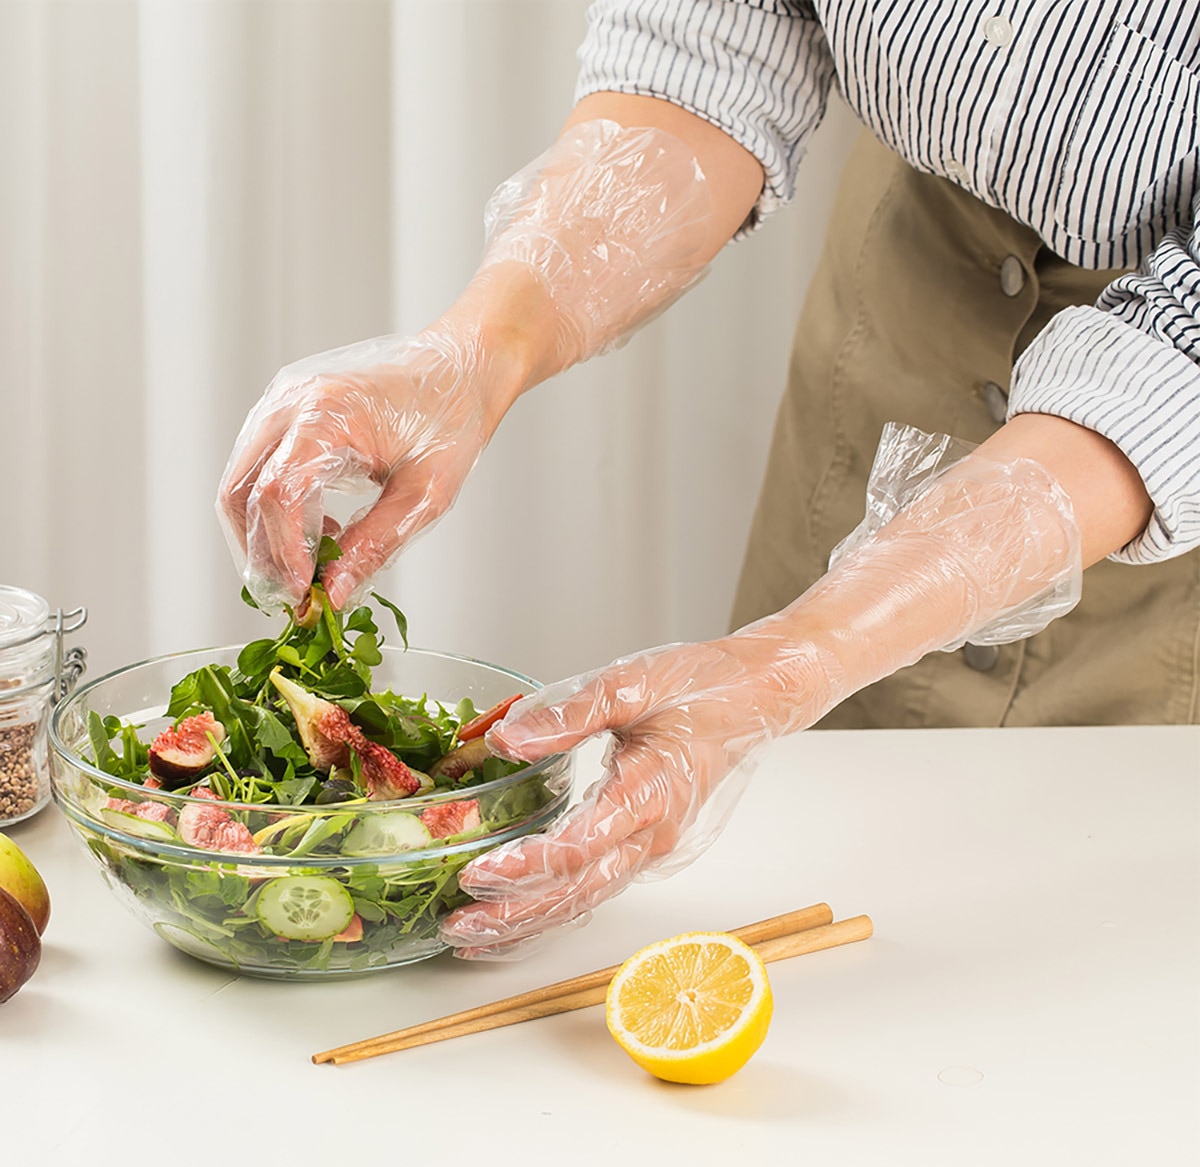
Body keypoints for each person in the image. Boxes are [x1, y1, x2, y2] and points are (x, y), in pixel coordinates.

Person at [219, 2, 1199, 956]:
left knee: (1078, 953)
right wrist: (480, 349)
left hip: (1152, 495)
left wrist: (788, 659)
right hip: (907, 301)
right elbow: (715, 35)